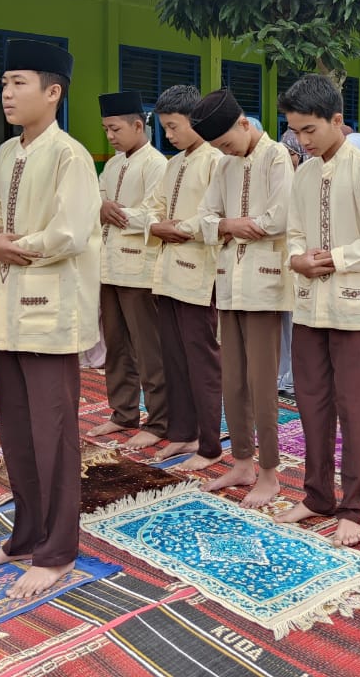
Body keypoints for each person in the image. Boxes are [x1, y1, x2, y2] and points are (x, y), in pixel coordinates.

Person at [0, 39, 101, 599]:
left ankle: (58, 550)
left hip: (51, 312)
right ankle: (24, 538)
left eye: (19, 82)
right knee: (16, 433)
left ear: (53, 91)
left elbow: (70, 232)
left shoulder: (72, 155)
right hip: (8, 309)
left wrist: (12, 245)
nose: (7, 92)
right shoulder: (5, 153)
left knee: (54, 433)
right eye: (4, 83)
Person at [276, 74, 360, 547]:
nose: (302, 142)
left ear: (337, 121)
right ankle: (317, 495)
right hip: (309, 309)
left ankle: (353, 507)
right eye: (295, 132)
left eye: (310, 131)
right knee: (312, 404)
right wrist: (298, 258)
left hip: (355, 311)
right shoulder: (302, 175)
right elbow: (295, 233)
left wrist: (332, 260)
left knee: (356, 408)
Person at [193, 88, 294, 508]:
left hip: (265, 285)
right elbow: (203, 219)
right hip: (229, 282)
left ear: (243, 123)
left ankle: (269, 472)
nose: (223, 151)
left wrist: (226, 224)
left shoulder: (276, 158)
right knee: (232, 380)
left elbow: (278, 219)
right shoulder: (223, 164)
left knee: (261, 383)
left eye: (226, 142)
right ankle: (241, 461)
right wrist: (231, 224)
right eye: (216, 148)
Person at [146, 85, 224, 470]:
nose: (170, 136)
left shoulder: (215, 160)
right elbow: (154, 209)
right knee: (173, 358)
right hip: (167, 273)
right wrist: (159, 225)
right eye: (165, 128)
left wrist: (181, 228)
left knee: (201, 360)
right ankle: (183, 433)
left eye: (174, 127)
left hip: (199, 274)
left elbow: (214, 213)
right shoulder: (173, 164)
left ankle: (210, 444)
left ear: (196, 121)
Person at [89, 92, 169, 449]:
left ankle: (160, 420)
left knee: (148, 347)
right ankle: (122, 413)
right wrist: (102, 207)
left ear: (139, 125)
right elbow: (97, 204)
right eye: (106, 129)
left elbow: (155, 215)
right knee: (116, 345)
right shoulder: (112, 165)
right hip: (109, 267)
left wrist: (115, 211)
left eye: (115, 128)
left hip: (140, 270)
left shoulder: (157, 165)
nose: (110, 136)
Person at [278, 129, 309, 394]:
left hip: (303, 261)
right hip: (282, 261)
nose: (288, 158)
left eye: (292, 153)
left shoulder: (307, 179)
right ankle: (283, 372)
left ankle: (294, 375)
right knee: (282, 322)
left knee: (298, 322)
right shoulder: (278, 179)